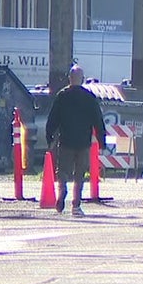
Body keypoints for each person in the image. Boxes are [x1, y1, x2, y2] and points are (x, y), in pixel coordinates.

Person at [44, 65, 106, 216]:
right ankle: (76, 204)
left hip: (65, 141)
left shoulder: (62, 96)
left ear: (69, 79)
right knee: (79, 174)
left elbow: (53, 118)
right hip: (83, 142)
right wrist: (101, 141)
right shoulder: (89, 98)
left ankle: (61, 193)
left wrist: (49, 136)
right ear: (82, 79)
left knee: (63, 171)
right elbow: (98, 120)